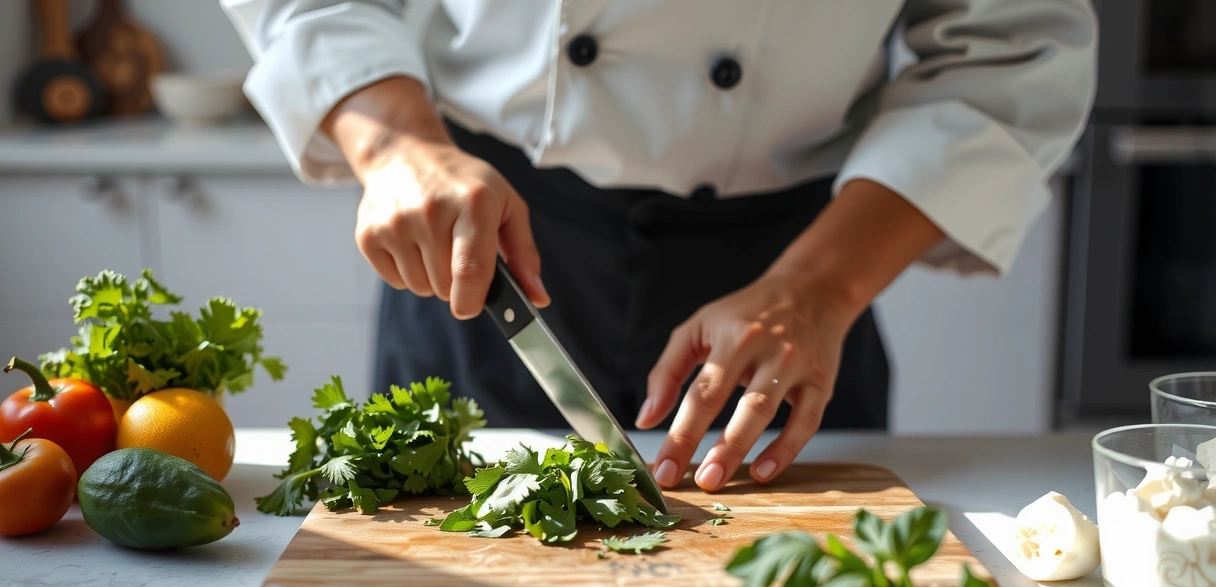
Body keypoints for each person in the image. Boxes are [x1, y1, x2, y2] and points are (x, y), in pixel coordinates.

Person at [221, 0, 1096, 492]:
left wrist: (822, 288)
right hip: (485, 242)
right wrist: (393, 142)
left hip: (795, 270)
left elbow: (1014, 49)